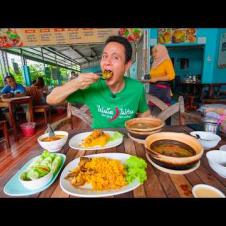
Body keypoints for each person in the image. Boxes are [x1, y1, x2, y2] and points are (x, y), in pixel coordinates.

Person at [47, 35, 151, 128]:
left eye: (115, 57)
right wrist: (76, 83)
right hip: (98, 141)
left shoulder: (137, 88)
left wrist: (145, 123)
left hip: (126, 140)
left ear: (127, 65)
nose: (107, 62)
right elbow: (51, 99)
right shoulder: (92, 86)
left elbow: (144, 113)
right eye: (105, 56)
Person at [142, 44, 175, 125]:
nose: (153, 54)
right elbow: (153, 75)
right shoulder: (155, 63)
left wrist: (157, 78)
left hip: (163, 90)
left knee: (166, 110)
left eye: (156, 51)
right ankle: (149, 125)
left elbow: (171, 76)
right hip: (153, 89)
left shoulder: (166, 61)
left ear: (162, 51)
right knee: (150, 110)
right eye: (153, 52)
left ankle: (167, 127)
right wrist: (147, 77)